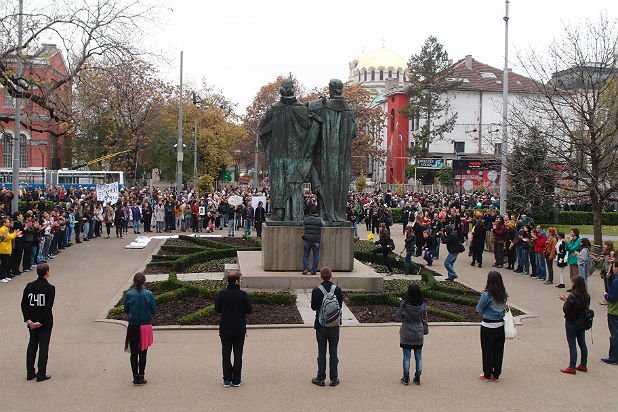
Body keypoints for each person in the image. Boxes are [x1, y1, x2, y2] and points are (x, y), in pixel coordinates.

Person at [215, 271, 253, 387]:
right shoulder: (243, 295)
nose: (241, 282)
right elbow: (249, 310)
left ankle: (227, 379)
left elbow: (217, 309)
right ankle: (236, 379)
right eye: (240, 280)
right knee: (238, 355)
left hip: (225, 329)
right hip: (239, 329)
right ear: (236, 281)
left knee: (226, 355)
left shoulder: (221, 294)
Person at [21, 263, 55, 381]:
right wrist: (41, 322)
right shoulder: (50, 288)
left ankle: (30, 372)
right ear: (47, 273)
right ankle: (41, 374)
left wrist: (28, 320)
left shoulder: (29, 286)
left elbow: (23, 304)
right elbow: (48, 307)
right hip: (44, 322)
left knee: (32, 345)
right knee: (43, 346)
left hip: (32, 321)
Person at [310, 267, 343, 387]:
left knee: (321, 352)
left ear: (321, 277)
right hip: (334, 325)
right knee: (334, 351)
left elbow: (313, 307)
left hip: (321, 324)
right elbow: (340, 305)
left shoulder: (316, 291)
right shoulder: (337, 290)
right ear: (331, 275)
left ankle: (320, 378)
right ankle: (334, 378)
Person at [123, 272, 156, 385]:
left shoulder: (129, 294)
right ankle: (141, 376)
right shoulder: (149, 294)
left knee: (133, 352)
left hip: (133, 325)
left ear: (134, 281)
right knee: (143, 352)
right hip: (145, 325)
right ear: (144, 281)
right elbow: (154, 310)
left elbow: (126, 309)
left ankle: (135, 376)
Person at [476, 271, 507, 382]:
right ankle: (496, 373)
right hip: (500, 325)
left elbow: (478, 308)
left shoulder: (487, 294)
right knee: (498, 351)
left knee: (487, 350)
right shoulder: (503, 293)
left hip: (488, 325)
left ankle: (487, 374)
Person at [395, 284, 427, 385]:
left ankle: (406, 377)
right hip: (418, 331)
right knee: (418, 356)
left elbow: (399, 316)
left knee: (406, 356)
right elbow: (424, 316)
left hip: (407, 331)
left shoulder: (404, 303)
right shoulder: (423, 303)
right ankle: (417, 377)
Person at [559, 276, 590, 374]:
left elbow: (567, 309)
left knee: (572, 344)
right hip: (582, 321)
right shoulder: (586, 295)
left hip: (571, 322)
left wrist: (565, 301)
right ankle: (583, 365)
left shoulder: (572, 296)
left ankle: (572, 367)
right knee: (582, 343)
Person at [602, 262, 618, 365]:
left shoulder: (616, 281)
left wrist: (606, 295)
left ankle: (613, 357)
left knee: (615, 335)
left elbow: (612, 298)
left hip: (614, 311)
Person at [302, 210, 324, 276]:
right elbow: (323, 224)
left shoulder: (306, 219)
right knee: (316, 255)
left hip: (307, 240)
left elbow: (303, 224)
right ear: (316, 213)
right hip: (316, 241)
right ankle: (314, 270)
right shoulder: (319, 219)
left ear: (310, 212)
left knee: (305, 255)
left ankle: (306, 268)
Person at [0, 217, 23, 282]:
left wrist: (15, 234)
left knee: (6, 263)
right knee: (4, 264)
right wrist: (15, 233)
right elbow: (9, 237)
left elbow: (9, 237)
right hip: (3, 248)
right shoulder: (2, 229)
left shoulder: (6, 229)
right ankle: (2, 277)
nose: (9, 223)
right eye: (7, 222)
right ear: (4, 223)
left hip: (7, 248)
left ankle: (5, 276)